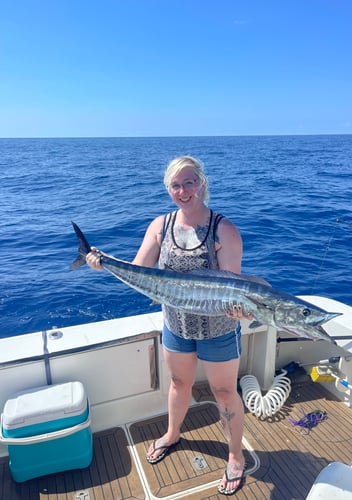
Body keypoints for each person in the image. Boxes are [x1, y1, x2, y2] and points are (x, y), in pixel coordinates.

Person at [86, 155, 250, 495]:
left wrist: (240, 309)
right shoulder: (160, 226)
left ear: (202, 183)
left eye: (189, 182)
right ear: (168, 189)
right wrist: (103, 263)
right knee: (178, 383)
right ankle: (173, 433)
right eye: (176, 185)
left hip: (218, 330)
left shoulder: (224, 230)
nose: (183, 190)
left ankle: (235, 456)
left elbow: (232, 288)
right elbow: (138, 270)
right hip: (176, 325)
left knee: (223, 391)